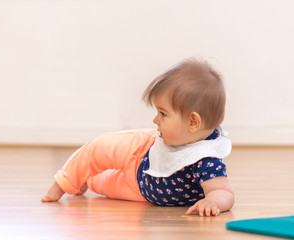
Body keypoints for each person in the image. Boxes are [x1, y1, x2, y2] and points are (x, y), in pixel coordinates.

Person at [42, 58, 234, 217]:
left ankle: (85, 180)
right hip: (142, 152)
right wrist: (61, 186)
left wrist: (212, 201)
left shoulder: (205, 159)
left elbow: (223, 192)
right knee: (99, 150)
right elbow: (95, 150)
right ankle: (69, 178)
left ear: (193, 122)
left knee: (99, 183)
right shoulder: (152, 138)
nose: (155, 119)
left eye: (163, 114)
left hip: (139, 191)